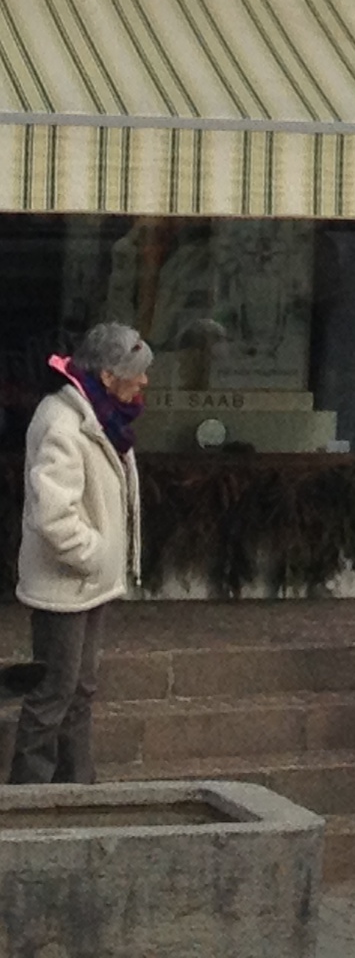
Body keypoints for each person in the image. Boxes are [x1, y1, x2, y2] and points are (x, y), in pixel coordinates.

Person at [8, 323, 149, 785]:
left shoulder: (103, 417)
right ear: (107, 376)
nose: (144, 382)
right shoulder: (64, 421)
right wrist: (92, 554)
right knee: (54, 691)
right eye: (137, 373)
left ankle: (77, 785)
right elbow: (53, 515)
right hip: (66, 583)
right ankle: (27, 798)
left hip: (87, 584)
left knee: (80, 689)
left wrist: (101, 562)